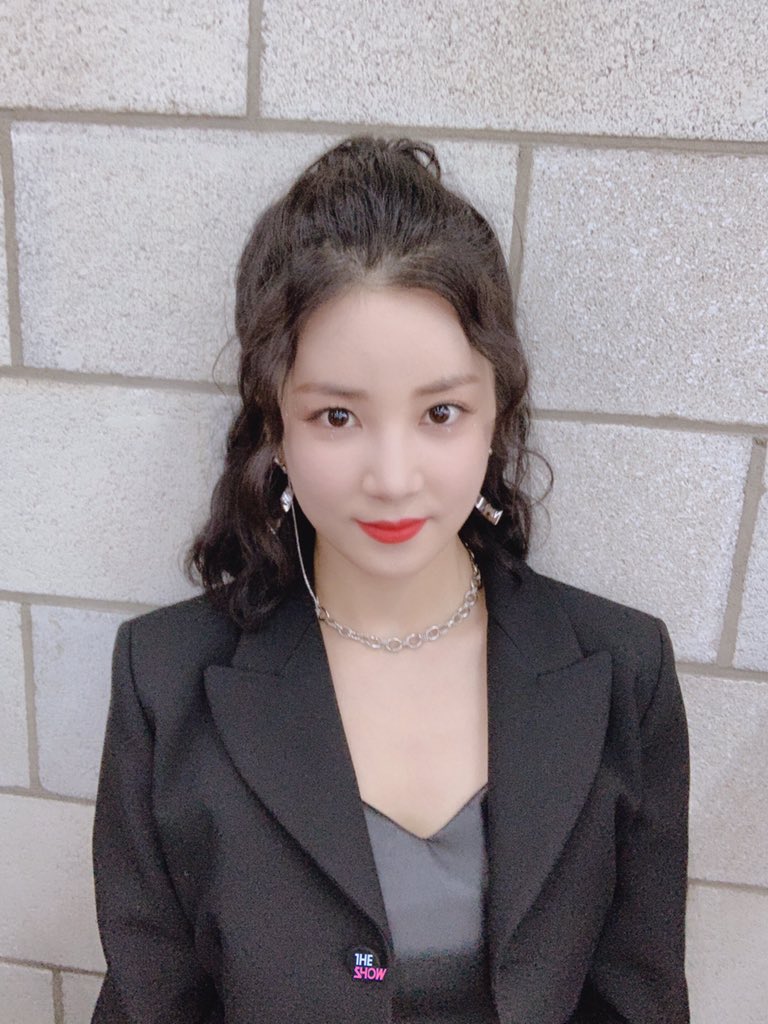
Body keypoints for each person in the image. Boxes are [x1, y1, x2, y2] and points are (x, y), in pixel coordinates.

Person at [91, 135, 690, 1024]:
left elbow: (642, 996)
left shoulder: (623, 673)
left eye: (441, 412)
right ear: (275, 426)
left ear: (495, 414)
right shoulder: (164, 680)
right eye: (337, 416)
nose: (394, 477)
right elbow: (151, 1003)